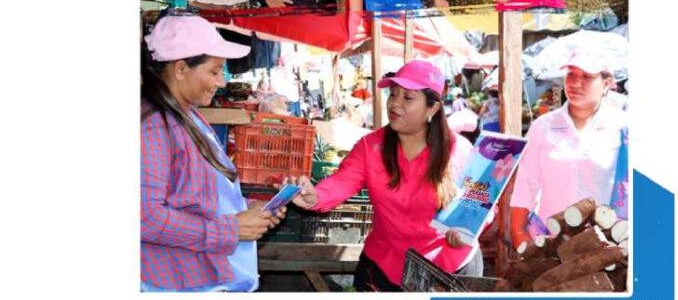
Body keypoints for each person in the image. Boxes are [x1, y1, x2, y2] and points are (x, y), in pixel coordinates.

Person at [286, 60, 485, 291]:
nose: (395, 104)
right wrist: (314, 196)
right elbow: (342, 181)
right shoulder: (370, 147)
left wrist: (467, 229)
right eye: (394, 94)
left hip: (448, 268)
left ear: (432, 108)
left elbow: (482, 203)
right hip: (386, 265)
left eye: (408, 98)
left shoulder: (459, 150)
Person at [141, 15, 286, 292]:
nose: (221, 82)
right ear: (181, 69)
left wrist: (247, 210)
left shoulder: (189, 116)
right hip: (173, 282)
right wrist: (230, 229)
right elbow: (145, 216)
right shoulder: (152, 125)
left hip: (202, 275)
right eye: (214, 71)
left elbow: (195, 193)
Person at [508, 49, 627, 249]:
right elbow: (525, 187)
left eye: (587, 77)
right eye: (571, 74)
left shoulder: (623, 128)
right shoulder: (543, 127)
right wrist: (519, 234)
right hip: (550, 241)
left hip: (606, 246)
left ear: (606, 84)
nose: (575, 83)